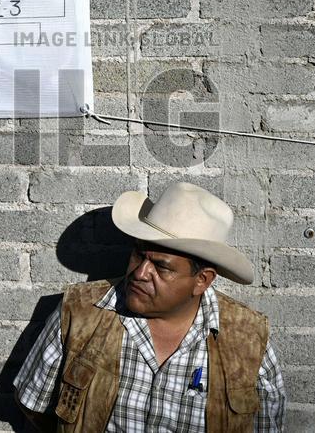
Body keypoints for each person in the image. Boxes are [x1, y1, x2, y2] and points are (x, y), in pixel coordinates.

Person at [14, 182, 286, 432]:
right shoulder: (81, 312)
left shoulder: (247, 339)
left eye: (161, 266)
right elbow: (34, 406)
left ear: (201, 280)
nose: (141, 272)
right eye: (139, 254)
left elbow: (267, 427)